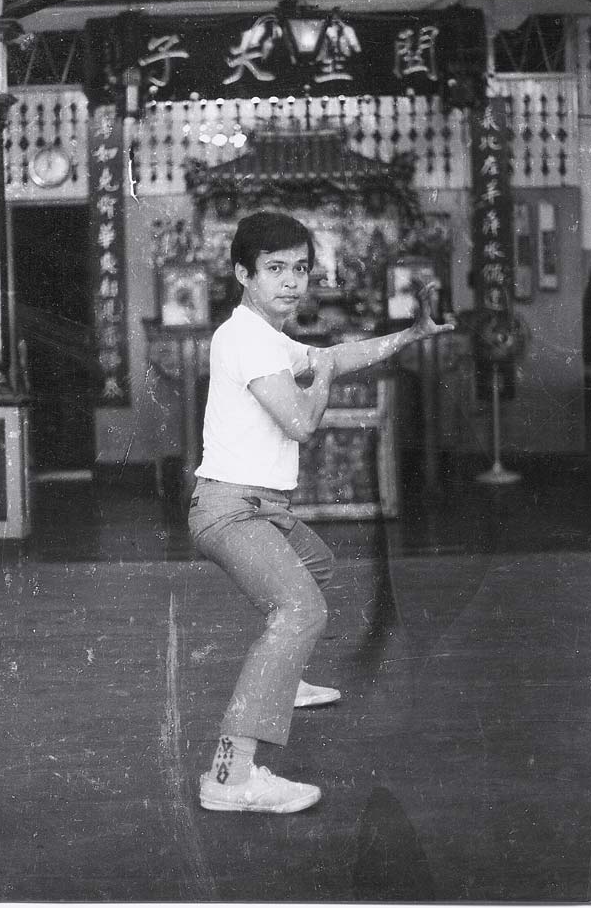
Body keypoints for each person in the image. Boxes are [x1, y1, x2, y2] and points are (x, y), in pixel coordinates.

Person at [188, 210, 453, 814]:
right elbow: (303, 422)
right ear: (242, 275)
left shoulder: (267, 337)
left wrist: (407, 337)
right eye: (275, 270)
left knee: (319, 567)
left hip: (260, 507)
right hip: (231, 509)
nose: (291, 282)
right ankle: (230, 777)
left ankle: (280, 678)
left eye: (300, 269)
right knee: (300, 608)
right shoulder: (246, 340)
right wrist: (327, 373)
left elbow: (339, 354)